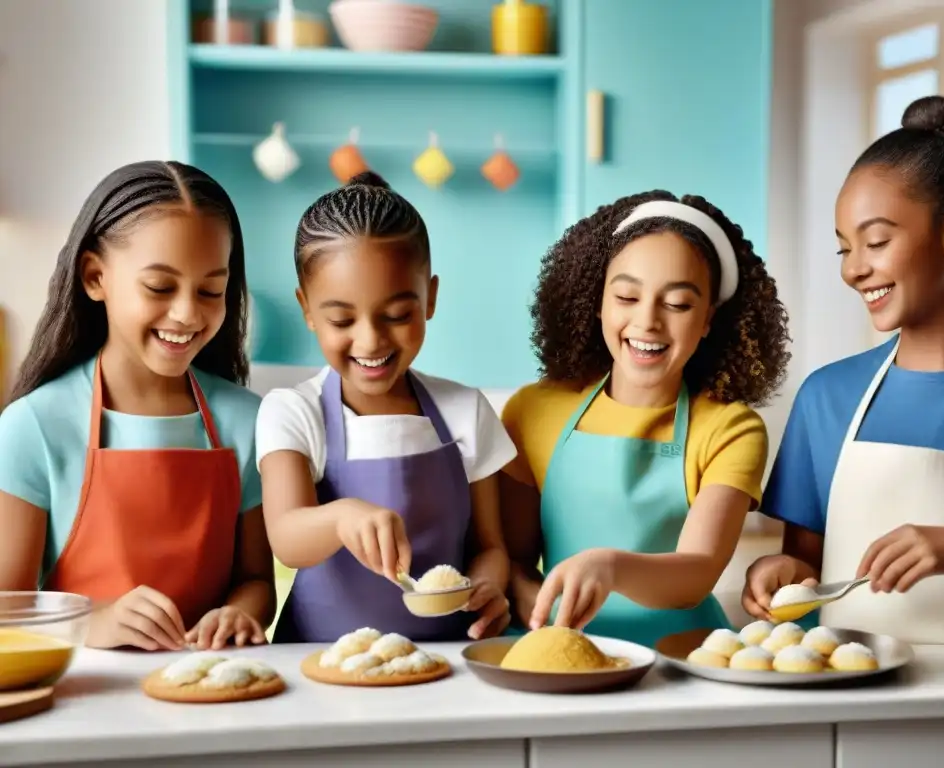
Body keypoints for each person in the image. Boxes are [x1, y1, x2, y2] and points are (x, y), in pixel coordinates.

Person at [743, 94, 944, 645]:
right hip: (849, 705)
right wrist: (777, 580)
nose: (854, 270)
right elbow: (809, 573)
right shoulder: (825, 398)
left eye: (875, 241)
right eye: (844, 249)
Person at [0, 161, 274, 652]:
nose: (188, 313)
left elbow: (258, 581)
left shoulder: (249, 422)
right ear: (94, 277)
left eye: (212, 290)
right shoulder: (33, 426)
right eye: (160, 287)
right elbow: (6, 609)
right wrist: (89, 623)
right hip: (81, 702)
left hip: (210, 690)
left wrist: (238, 613)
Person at [499, 190, 791, 648]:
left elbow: (697, 571)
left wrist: (610, 567)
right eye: (627, 296)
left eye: (677, 304)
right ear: (598, 302)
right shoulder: (532, 411)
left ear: (708, 319)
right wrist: (541, 616)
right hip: (560, 649)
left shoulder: (731, 429)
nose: (648, 321)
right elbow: (512, 563)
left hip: (682, 657)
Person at [256, 171, 517, 643]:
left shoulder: (464, 409)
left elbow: (490, 547)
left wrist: (488, 586)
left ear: (430, 297)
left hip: (446, 662)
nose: (371, 339)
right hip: (320, 663)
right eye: (341, 319)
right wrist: (342, 516)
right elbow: (287, 537)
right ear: (307, 310)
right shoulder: (293, 411)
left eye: (397, 315)